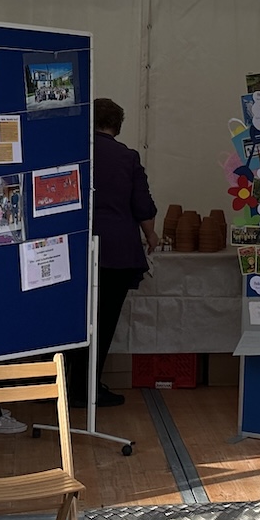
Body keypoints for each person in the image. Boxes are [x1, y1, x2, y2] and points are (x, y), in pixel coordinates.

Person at [81, 98, 157, 410]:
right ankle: (89, 388)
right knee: (104, 321)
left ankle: (69, 384)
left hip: (76, 252)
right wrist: (151, 236)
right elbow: (142, 205)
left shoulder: (77, 153)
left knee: (77, 320)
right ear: (117, 125)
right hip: (116, 251)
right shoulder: (127, 157)